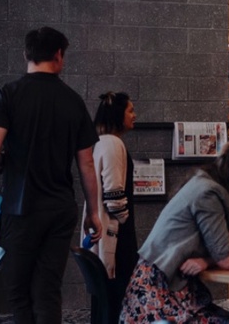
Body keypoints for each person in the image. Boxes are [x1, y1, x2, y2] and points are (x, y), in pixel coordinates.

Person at [0, 26, 102, 324]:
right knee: (47, 291)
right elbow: (87, 163)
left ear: (26, 55)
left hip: (20, 209)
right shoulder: (73, 100)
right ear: (59, 56)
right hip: (59, 209)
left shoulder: (8, 94)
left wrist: (2, 164)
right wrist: (94, 212)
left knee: (19, 292)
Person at [121, 142, 229, 324]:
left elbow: (220, 251)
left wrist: (206, 261)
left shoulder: (204, 184)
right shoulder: (210, 193)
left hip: (158, 290)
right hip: (157, 299)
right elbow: (228, 260)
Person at [88, 91, 139, 324]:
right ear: (118, 114)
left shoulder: (100, 142)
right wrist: (125, 219)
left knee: (104, 298)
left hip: (106, 232)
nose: (134, 115)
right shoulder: (112, 143)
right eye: (130, 110)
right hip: (116, 236)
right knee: (116, 297)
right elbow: (114, 194)